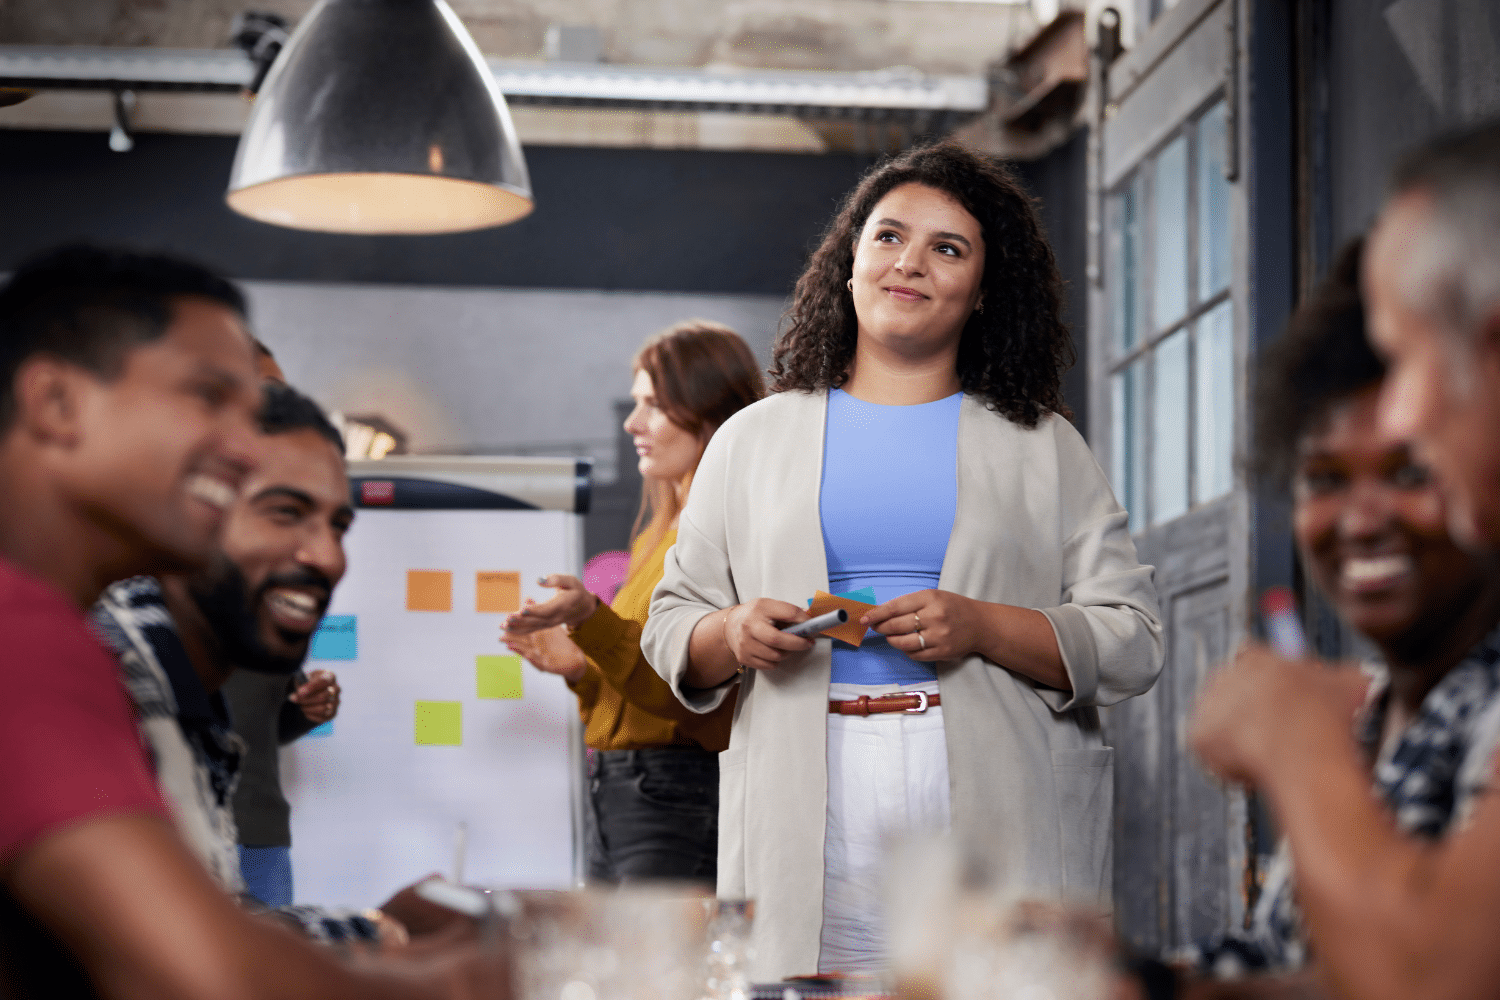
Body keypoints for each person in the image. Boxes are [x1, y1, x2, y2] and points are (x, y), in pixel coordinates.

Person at [640, 142, 1164, 979]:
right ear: (850, 262)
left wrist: (985, 625)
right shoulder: (749, 441)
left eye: (947, 248)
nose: (909, 262)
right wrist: (733, 630)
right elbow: (670, 625)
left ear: (984, 291)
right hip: (807, 787)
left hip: (993, 785)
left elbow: (1133, 638)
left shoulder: (1044, 446)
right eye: (888, 237)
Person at [0, 244, 501, 999]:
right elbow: (204, 978)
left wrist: (370, 931)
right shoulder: (25, 634)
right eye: (208, 398)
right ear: (58, 403)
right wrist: (469, 979)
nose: (243, 448)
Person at [1189, 120, 1500, 1000]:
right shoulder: (1367, 715)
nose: (1401, 415)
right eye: (1323, 475)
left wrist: (1293, 737)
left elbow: (1436, 977)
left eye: (1406, 360)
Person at [93, 380, 446, 947]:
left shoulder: (187, 682)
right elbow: (159, 952)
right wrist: (378, 935)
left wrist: (386, 927)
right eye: (285, 513)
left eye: (338, 525)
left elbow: (208, 923)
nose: (329, 556)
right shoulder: (119, 669)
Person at [501, 320, 765, 884]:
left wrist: (589, 620)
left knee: (659, 969)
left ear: (709, 411)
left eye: (654, 404)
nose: (632, 421)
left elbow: (689, 693)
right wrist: (581, 668)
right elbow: (646, 693)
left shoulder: (727, 534)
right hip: (623, 786)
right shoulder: (658, 534)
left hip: (675, 790)